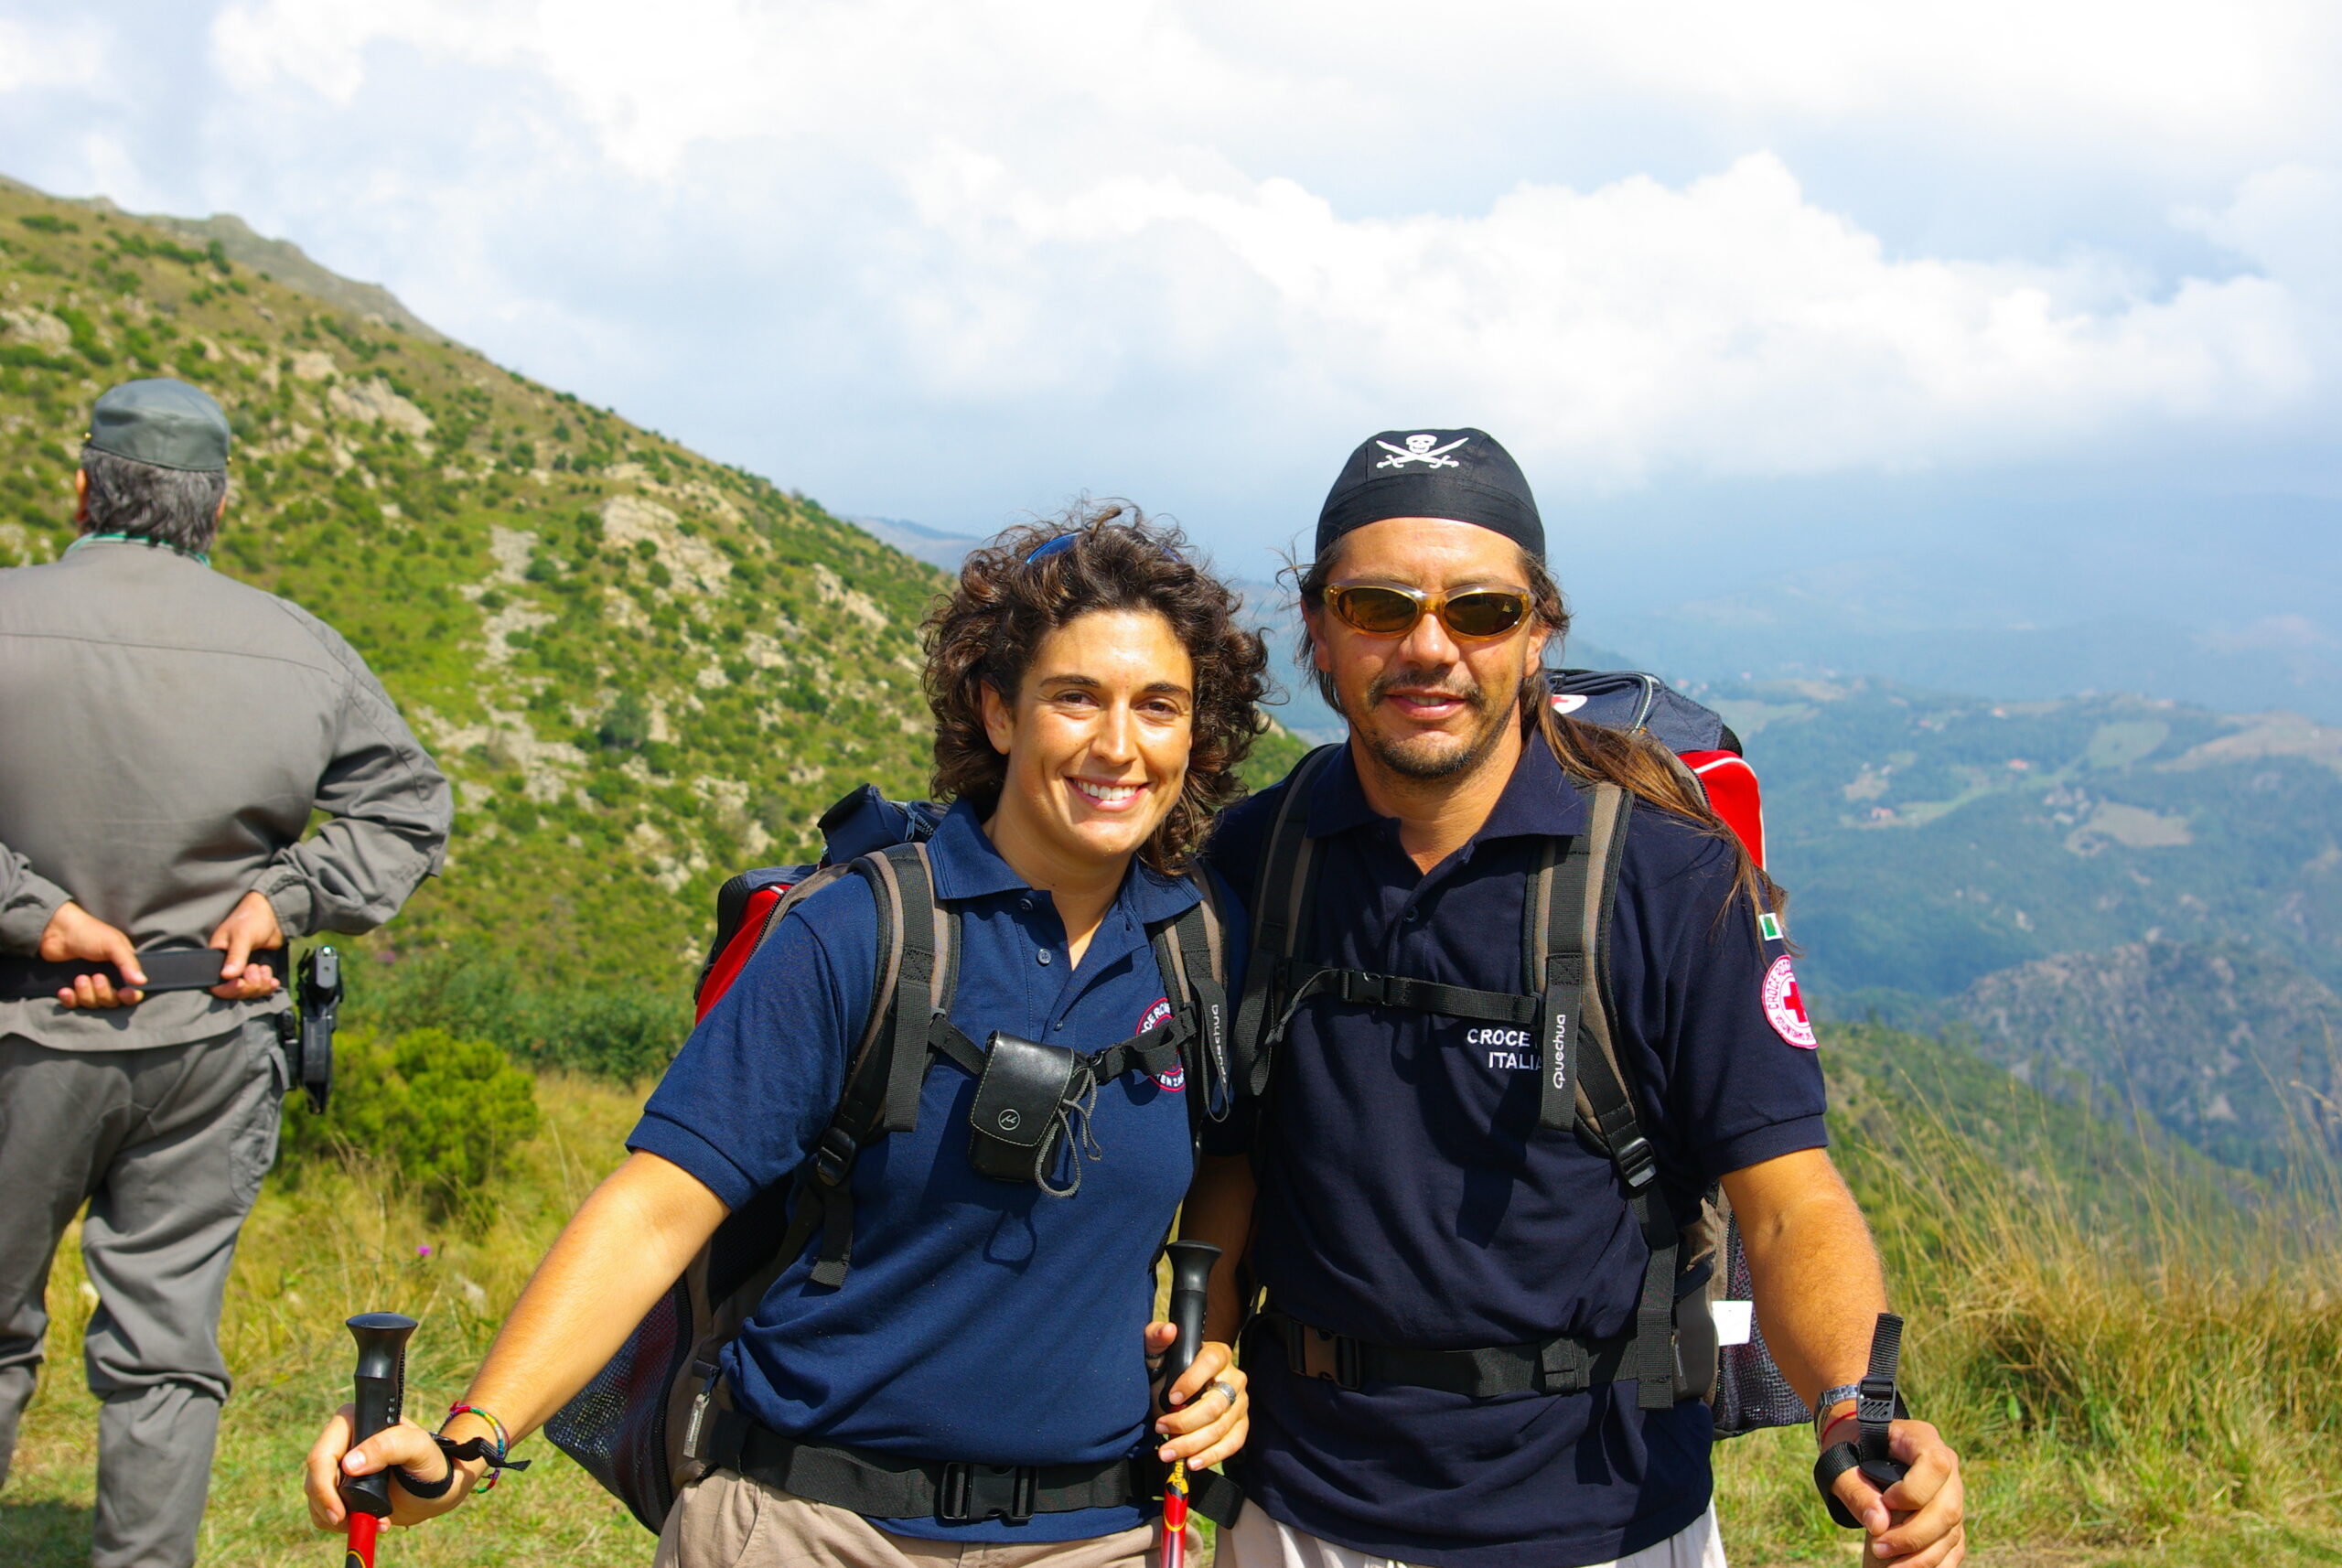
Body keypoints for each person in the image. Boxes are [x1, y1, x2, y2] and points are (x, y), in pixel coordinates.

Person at [306, 510, 1265, 1568]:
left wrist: (1213, 1339)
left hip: (1100, 1537)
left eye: (1158, 707)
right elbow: (660, 1204)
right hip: (807, 1528)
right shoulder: (865, 929)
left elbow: (1230, 1154)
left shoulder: (1200, 946)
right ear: (998, 710)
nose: (1117, 744)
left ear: (1195, 733)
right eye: (1073, 696)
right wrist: (474, 1436)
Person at [1180, 430, 1967, 1568]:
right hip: (1302, 1507)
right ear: (1317, 625)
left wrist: (1855, 1403)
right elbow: (1233, 1156)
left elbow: (1788, 1194)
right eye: (1378, 604)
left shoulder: (1669, 878)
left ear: (1541, 628)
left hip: (1602, 1515)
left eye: (1482, 611)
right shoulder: (1257, 858)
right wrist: (1198, 1362)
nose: (1428, 646)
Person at [0, 377, 453, 1568]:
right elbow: (409, 812)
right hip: (212, 1038)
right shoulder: (298, 647)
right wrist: (286, 898)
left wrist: (37, 916)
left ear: (87, 483)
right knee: (163, 1351)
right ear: (214, 505)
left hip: (21, 1034)